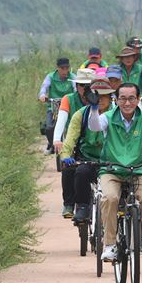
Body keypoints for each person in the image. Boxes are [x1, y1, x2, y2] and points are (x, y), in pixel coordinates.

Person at [88, 82, 142, 261]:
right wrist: (94, 108)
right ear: (116, 100)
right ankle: (109, 244)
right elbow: (94, 126)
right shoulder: (108, 117)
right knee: (109, 198)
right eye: (123, 98)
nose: (127, 103)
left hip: (138, 169)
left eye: (131, 98)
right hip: (112, 169)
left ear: (138, 99)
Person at [59, 76, 116, 223]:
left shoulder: (118, 114)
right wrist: (66, 155)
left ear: (111, 97)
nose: (100, 99)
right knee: (79, 172)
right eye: (96, 95)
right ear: (89, 97)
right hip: (88, 159)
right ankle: (82, 207)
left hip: (113, 160)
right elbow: (70, 139)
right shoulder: (81, 115)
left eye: (105, 95)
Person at [53, 68, 94, 218]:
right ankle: (69, 204)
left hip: (94, 141)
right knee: (68, 167)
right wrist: (57, 139)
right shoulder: (68, 99)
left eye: (89, 85)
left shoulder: (102, 99)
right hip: (73, 140)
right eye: (82, 85)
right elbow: (62, 119)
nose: (85, 89)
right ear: (77, 86)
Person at [38, 57, 75, 155]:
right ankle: (51, 145)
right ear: (57, 68)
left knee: (75, 125)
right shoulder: (50, 77)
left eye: (67, 68)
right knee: (49, 127)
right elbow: (44, 87)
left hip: (69, 106)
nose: (64, 70)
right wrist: (42, 95)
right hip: (53, 106)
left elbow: (76, 88)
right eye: (62, 68)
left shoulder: (72, 77)